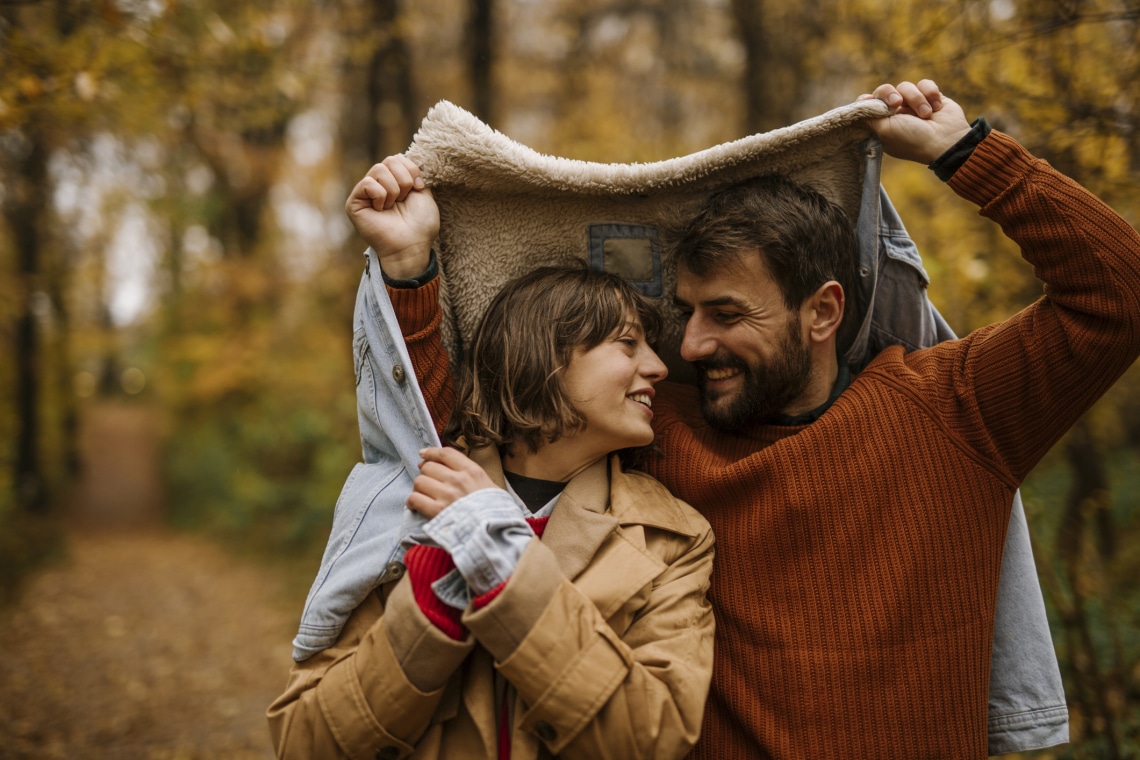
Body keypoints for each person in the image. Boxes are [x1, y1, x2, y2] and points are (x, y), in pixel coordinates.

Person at [374, 78, 1140, 758]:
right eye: (686, 313)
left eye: (726, 313)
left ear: (823, 311)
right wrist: (411, 270)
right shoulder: (662, 434)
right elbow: (468, 443)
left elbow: (1118, 295)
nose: (692, 344)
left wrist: (966, 152)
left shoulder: (955, 409)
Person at [267, 251, 717, 757]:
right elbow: (303, 742)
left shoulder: (673, 538)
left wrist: (505, 566)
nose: (658, 367)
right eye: (628, 344)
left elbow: (654, 740)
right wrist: (427, 617)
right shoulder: (406, 503)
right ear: (545, 357)